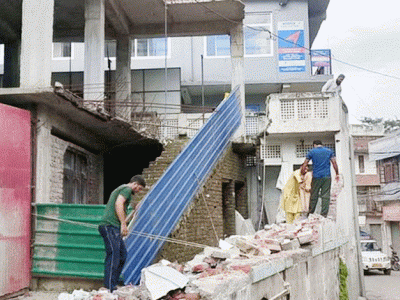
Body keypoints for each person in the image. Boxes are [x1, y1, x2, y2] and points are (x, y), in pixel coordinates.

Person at [98, 175, 146, 291]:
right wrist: (123, 225)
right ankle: (109, 287)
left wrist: (134, 210)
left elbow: (121, 208)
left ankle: (112, 284)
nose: (138, 191)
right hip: (110, 226)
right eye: (139, 189)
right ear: (135, 184)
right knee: (114, 255)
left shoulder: (122, 189)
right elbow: (118, 203)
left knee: (122, 255)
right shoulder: (127, 189)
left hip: (113, 227)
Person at [301, 140, 339, 218]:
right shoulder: (329, 151)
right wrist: (337, 173)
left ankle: (310, 213)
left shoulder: (312, 152)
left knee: (314, 194)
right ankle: (324, 214)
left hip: (316, 176)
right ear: (321, 144)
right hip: (327, 176)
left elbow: (305, 164)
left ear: (314, 145)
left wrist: (302, 173)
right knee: (325, 195)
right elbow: (334, 163)